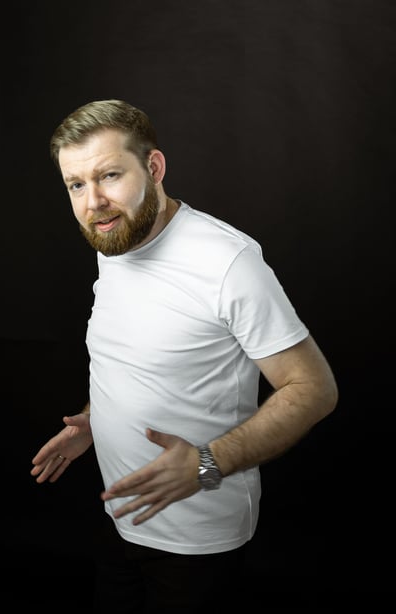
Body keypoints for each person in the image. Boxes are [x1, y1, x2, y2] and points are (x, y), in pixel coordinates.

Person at [30, 99, 338, 612]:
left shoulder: (227, 261)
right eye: (76, 185)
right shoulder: (115, 238)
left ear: (154, 168)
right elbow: (136, 355)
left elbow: (313, 389)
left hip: (197, 542)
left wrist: (206, 464)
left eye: (109, 176)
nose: (94, 202)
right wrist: (95, 418)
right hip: (120, 517)